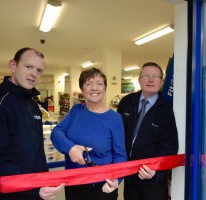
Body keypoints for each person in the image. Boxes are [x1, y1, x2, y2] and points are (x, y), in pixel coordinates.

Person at [0, 47, 64, 200]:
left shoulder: (33, 104)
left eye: (39, 70)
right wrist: (33, 187)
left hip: (37, 189)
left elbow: (37, 152)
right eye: (28, 67)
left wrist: (44, 180)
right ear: (13, 66)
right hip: (14, 193)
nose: (34, 74)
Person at [51, 67, 127, 200]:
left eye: (99, 83)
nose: (94, 88)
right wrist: (71, 148)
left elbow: (120, 154)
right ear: (82, 90)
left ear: (104, 88)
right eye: (88, 84)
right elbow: (56, 132)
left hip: (101, 186)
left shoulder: (115, 118)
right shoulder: (76, 110)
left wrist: (116, 179)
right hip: (73, 183)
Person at [117, 62, 179, 200]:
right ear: (139, 80)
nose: (150, 80)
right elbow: (117, 135)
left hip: (152, 179)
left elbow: (169, 147)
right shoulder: (126, 102)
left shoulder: (166, 110)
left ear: (161, 82)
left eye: (155, 76)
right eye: (146, 76)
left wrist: (156, 172)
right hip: (129, 175)